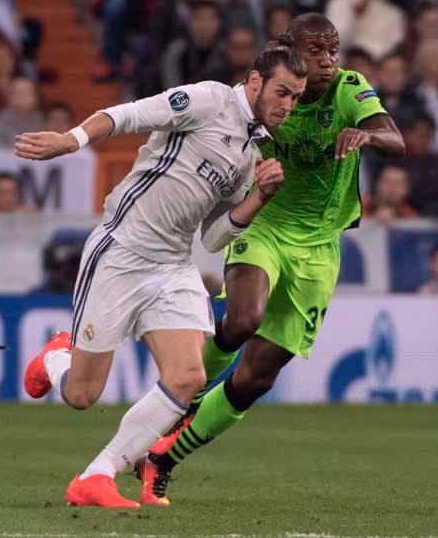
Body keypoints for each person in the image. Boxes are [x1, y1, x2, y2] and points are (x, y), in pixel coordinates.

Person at [18, 45, 306, 509]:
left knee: (190, 375)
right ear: (254, 82)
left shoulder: (251, 151)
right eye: (282, 92)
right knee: (82, 395)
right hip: (121, 251)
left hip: (171, 266)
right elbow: (129, 114)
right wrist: (72, 140)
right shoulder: (210, 100)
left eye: (296, 97)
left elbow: (212, 237)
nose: (288, 105)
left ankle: (97, 475)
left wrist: (259, 198)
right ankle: (57, 357)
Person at [139, 13, 405, 505]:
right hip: (265, 223)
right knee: (242, 319)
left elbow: (396, 139)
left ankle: (162, 459)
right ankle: (181, 398)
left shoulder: (349, 90)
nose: (327, 61)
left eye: (333, 50)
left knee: (255, 376)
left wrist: (367, 135)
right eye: (316, 51)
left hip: (320, 246)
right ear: (290, 49)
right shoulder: (266, 91)